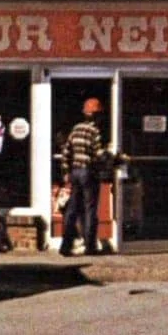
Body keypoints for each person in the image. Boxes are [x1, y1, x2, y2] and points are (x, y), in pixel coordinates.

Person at [59, 97, 107, 256]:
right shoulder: (94, 131)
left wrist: (66, 171)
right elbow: (99, 154)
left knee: (72, 209)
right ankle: (90, 246)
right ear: (96, 116)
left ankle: (65, 246)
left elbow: (66, 151)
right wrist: (111, 157)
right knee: (90, 209)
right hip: (88, 172)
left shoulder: (76, 128)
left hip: (75, 171)